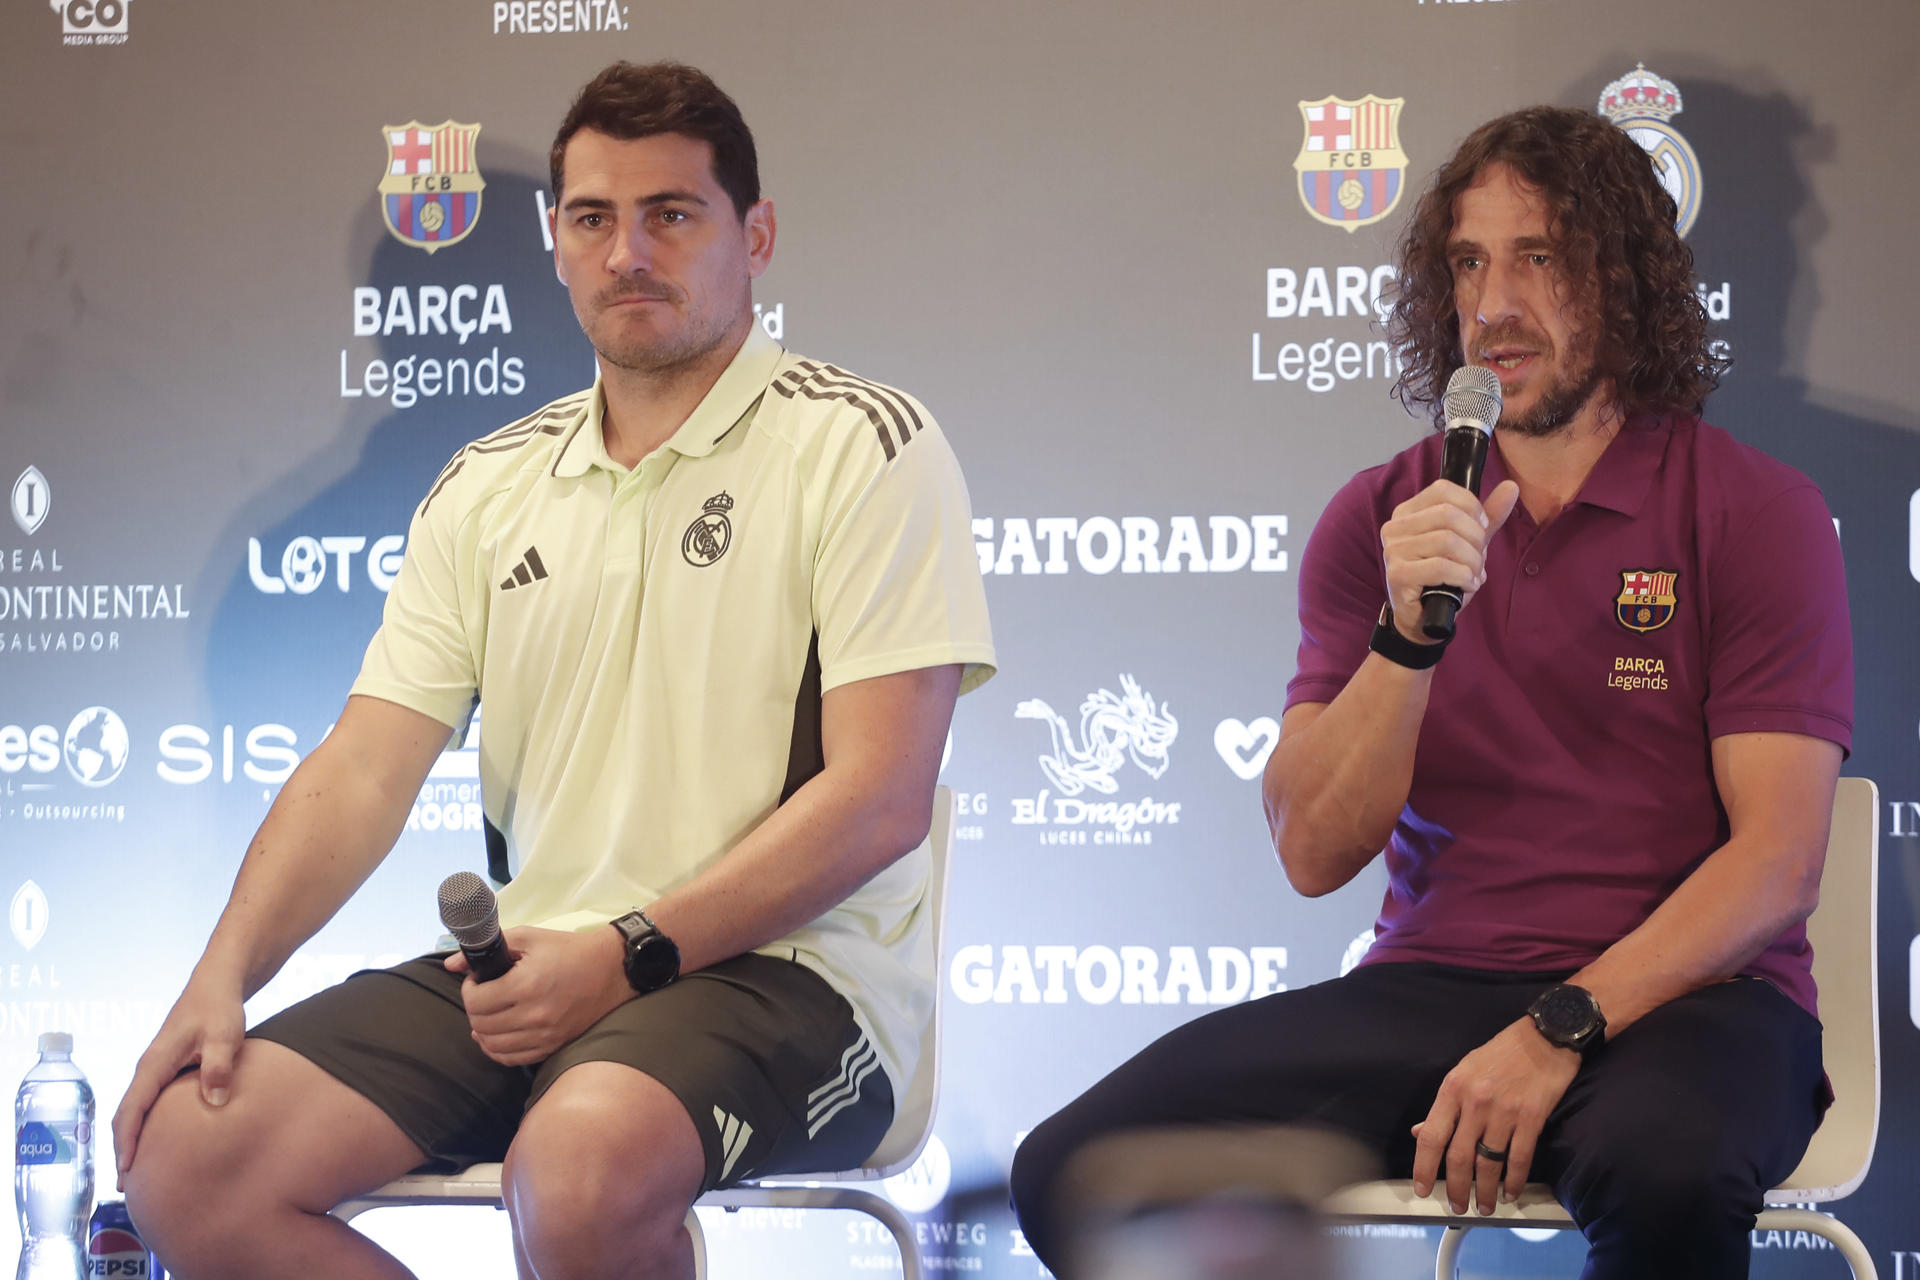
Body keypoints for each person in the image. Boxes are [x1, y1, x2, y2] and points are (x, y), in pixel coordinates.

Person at [114, 61, 995, 1280]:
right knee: (188, 1160)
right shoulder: (488, 484)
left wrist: (626, 951)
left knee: (578, 1168)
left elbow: (882, 798)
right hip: (537, 963)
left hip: (791, 978)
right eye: (594, 218)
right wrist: (219, 978)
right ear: (557, 241)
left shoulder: (862, 444)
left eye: (671, 213)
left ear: (759, 233)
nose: (629, 250)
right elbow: (366, 765)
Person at [1010, 104, 1850, 1280]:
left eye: (1541, 256)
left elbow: (1779, 860)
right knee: (1085, 1166)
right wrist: (1406, 639)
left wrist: (1561, 1025)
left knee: (1669, 1169)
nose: (1494, 303)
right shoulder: (1382, 519)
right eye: (1469, 262)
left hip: (1692, 999)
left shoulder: (1754, 510)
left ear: (1626, 279)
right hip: (1436, 985)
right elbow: (1313, 850)